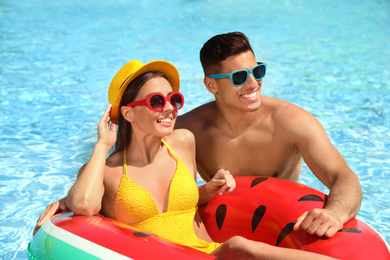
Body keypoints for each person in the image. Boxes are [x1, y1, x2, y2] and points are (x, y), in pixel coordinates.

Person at [34, 32, 362, 239]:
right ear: (211, 85)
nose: (253, 84)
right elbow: (130, 160)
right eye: (239, 77)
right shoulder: (186, 130)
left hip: (281, 223)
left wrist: (334, 213)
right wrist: (70, 198)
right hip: (211, 232)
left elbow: (343, 176)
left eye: (257, 71)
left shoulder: (292, 122)